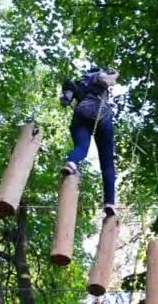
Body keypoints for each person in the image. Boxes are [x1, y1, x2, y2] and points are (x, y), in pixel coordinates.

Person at [60, 67, 119, 216]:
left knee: (81, 147)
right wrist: (114, 74)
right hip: (101, 115)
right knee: (107, 162)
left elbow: (65, 101)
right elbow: (106, 79)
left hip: (81, 113)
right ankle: (110, 202)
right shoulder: (97, 75)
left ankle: (71, 162)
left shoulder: (79, 83)